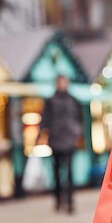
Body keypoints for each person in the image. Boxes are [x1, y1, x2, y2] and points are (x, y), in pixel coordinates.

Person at [38, 74, 84, 214]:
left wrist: (78, 133)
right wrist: (42, 134)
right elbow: (45, 119)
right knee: (57, 172)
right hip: (56, 139)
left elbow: (80, 119)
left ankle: (70, 201)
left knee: (70, 172)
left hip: (69, 139)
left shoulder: (74, 100)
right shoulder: (51, 101)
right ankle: (58, 200)